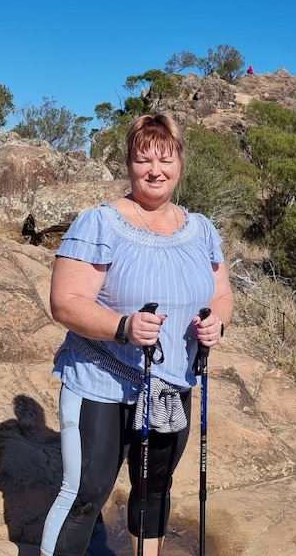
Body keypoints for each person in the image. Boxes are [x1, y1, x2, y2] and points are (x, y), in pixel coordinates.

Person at [40, 113, 234, 556]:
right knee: (87, 490)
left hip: (170, 384)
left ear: (180, 164)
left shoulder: (200, 230)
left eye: (164, 159)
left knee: (153, 490)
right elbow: (65, 302)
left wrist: (216, 322)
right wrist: (122, 327)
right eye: (143, 159)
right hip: (100, 380)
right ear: (128, 164)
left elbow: (222, 294)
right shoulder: (100, 223)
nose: (154, 170)